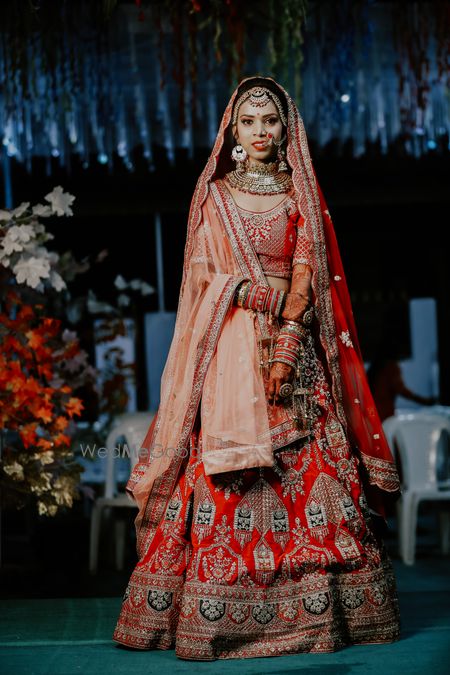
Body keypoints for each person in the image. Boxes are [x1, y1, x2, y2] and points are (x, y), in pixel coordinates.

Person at [112, 76, 402, 660]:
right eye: (249, 121)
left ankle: (321, 611)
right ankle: (219, 615)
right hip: (229, 356)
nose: (260, 131)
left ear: (285, 129)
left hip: (293, 352)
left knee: (310, 466)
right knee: (226, 476)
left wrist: (291, 334)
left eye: (270, 120)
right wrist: (243, 291)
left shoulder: (300, 194)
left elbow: (307, 270)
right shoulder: (214, 196)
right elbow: (200, 276)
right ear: (233, 131)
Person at [367, 355, 438, 422]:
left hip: (372, 412)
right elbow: (401, 389)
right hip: (382, 413)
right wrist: (424, 401)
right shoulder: (391, 366)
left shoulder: (375, 366)